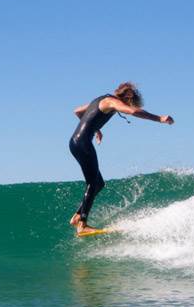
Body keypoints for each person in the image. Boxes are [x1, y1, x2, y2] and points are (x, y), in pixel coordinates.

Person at [69, 82, 174, 235]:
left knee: (99, 183)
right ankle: (82, 225)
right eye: (132, 101)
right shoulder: (111, 101)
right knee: (92, 183)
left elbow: (78, 111)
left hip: (75, 143)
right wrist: (160, 118)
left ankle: (78, 216)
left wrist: (96, 129)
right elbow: (132, 111)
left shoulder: (100, 100)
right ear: (129, 96)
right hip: (83, 143)